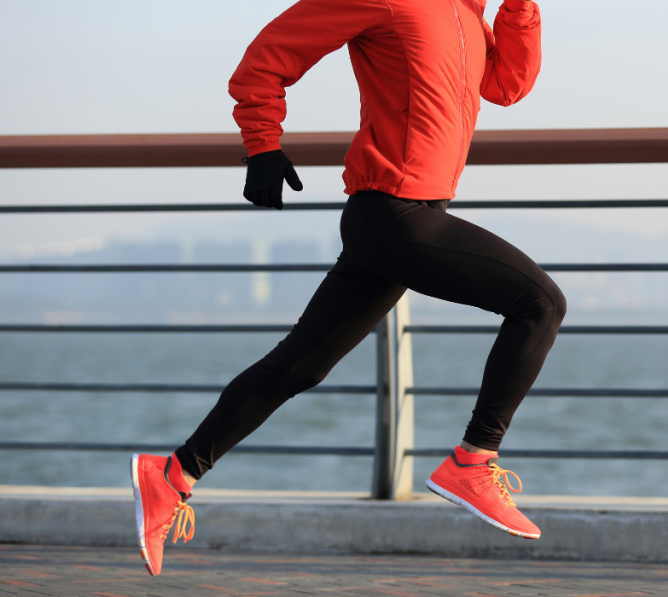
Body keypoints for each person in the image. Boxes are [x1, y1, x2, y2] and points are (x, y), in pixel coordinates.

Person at [130, 0, 562, 577]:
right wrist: (262, 143)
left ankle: (171, 476)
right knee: (539, 303)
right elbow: (266, 58)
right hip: (393, 217)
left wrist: (522, 8)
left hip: (407, 217)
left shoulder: (466, 14)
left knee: (298, 367)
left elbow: (506, 85)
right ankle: (473, 459)